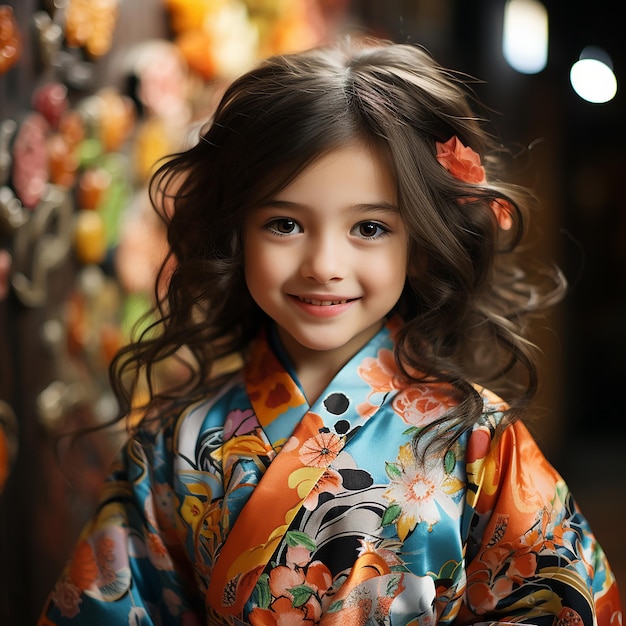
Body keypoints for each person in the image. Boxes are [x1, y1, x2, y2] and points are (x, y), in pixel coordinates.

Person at [38, 35, 622, 625]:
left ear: (419, 244)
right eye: (285, 223)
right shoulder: (175, 441)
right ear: (236, 233)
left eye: (369, 228)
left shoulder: (477, 438)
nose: (323, 264)